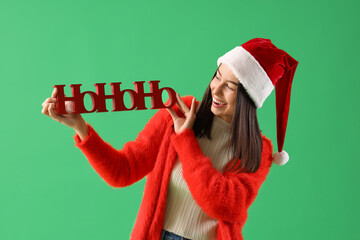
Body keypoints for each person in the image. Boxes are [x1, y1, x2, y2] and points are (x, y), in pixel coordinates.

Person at [41, 38, 299, 240]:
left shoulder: (259, 151)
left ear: (248, 98)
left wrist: (185, 139)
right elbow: (123, 170)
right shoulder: (179, 111)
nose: (216, 89)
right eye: (217, 76)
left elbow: (220, 204)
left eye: (230, 87)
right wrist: (81, 127)